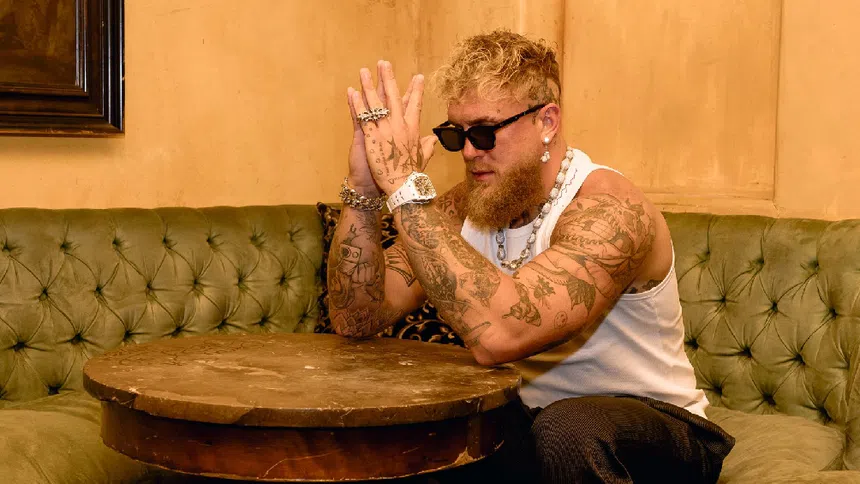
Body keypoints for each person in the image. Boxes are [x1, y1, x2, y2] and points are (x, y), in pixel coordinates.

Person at [328, 30, 734, 483]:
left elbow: (502, 336)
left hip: (657, 429)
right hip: (532, 421)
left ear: (547, 122)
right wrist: (363, 192)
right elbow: (357, 317)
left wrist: (405, 188)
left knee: (569, 429)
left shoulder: (610, 209)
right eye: (456, 134)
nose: (469, 151)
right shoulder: (466, 206)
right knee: (433, 424)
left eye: (484, 132)